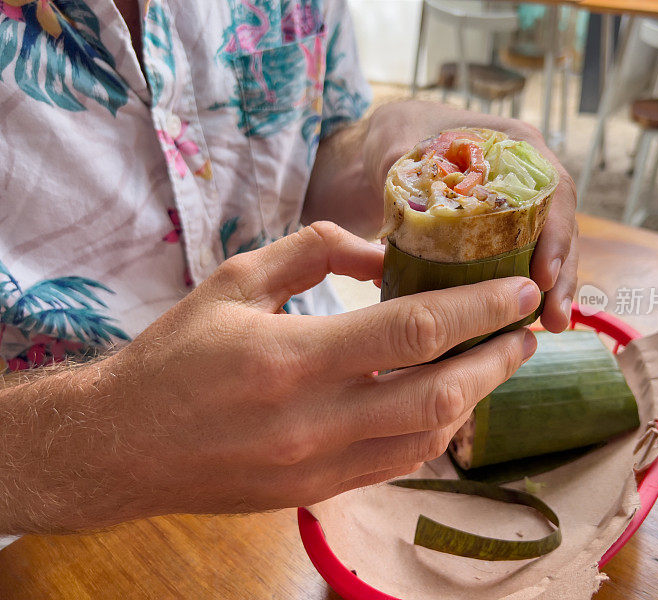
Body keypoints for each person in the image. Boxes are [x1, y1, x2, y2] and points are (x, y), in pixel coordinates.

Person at [0, 0, 577, 546]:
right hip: (41, 539)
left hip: (334, 451)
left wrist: (369, 150)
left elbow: (308, 157)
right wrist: (113, 435)